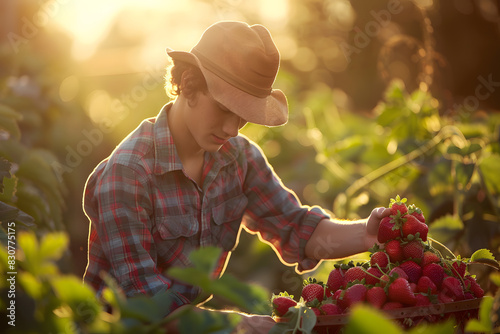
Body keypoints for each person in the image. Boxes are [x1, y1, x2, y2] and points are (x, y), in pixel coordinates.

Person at [82, 20, 390, 332]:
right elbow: (148, 305)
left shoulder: (238, 157)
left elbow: (296, 228)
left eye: (243, 115)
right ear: (188, 86)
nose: (232, 129)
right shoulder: (129, 173)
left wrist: (367, 233)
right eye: (223, 108)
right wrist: (247, 326)